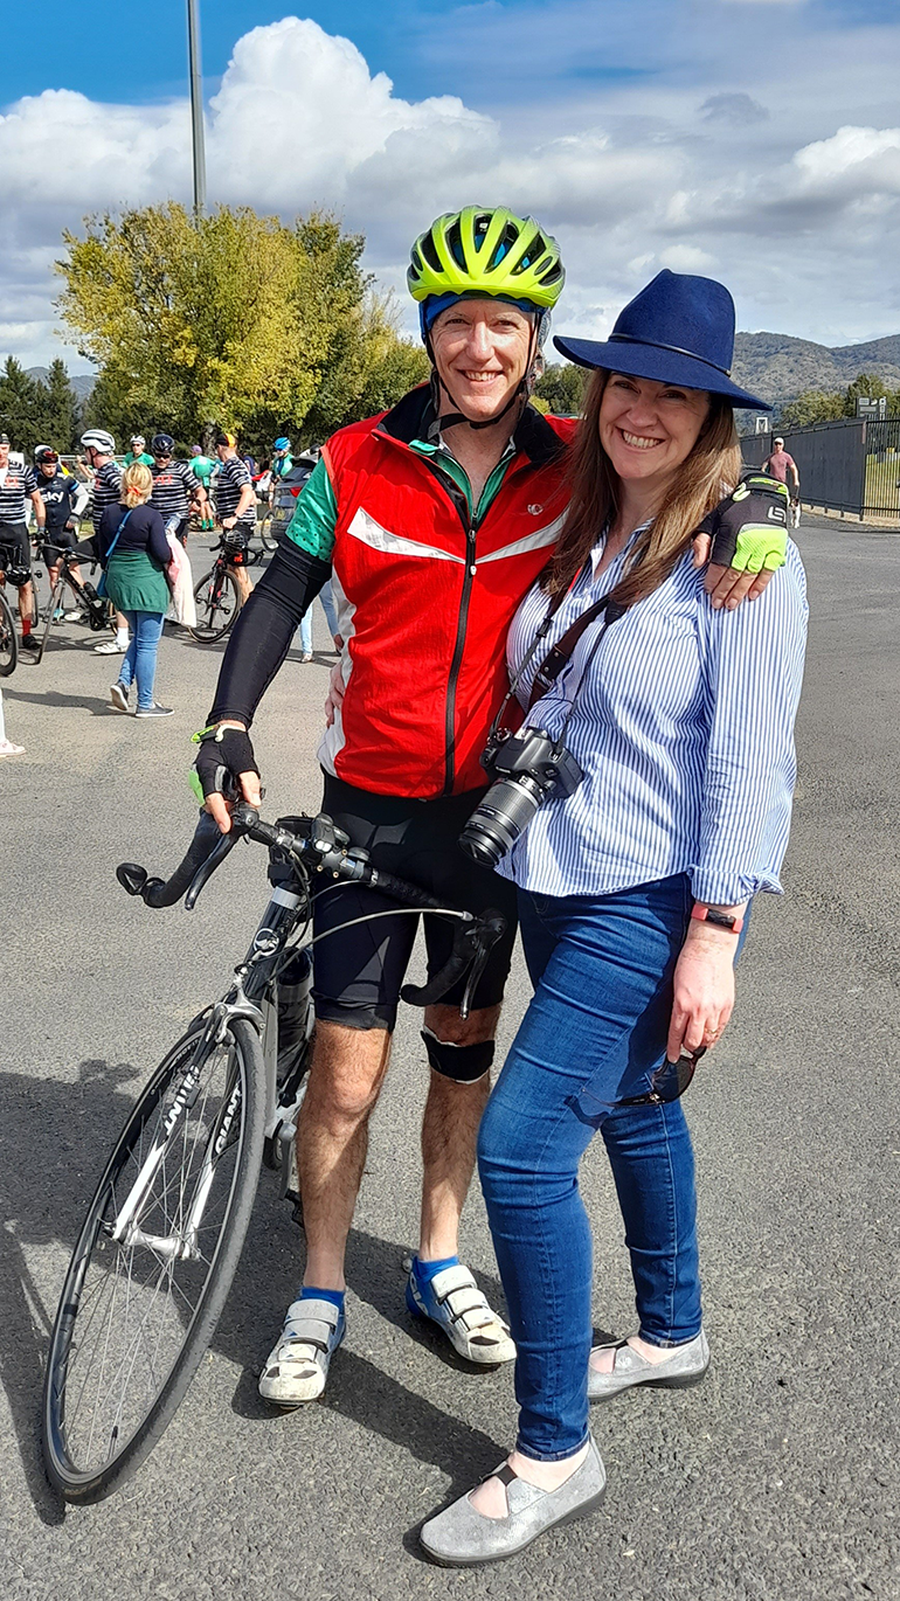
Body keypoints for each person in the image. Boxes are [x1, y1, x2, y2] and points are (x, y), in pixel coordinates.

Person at [192, 209, 788, 1411]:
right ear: (428, 334)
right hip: (366, 812)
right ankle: (318, 1286)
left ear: (534, 340)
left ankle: (437, 1256)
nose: (478, 345)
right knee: (351, 1077)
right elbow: (284, 592)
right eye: (455, 321)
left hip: (495, 836)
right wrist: (227, 720)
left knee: (461, 1068)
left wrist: (749, 513)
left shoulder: (567, 462)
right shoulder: (352, 459)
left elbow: (674, 479)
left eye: (502, 324)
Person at [419, 270, 808, 1565]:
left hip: (646, 899)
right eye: (626, 381)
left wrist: (717, 933)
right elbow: (451, 416)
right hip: (553, 876)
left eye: (674, 391)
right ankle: (673, 1328)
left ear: (713, 414)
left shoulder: (742, 560)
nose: (643, 407)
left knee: (526, 1151)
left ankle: (551, 1448)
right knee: (637, 1102)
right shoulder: (587, 526)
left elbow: (753, 761)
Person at [97, 462, 173, 718]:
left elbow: (101, 549)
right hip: (146, 582)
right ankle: (146, 703)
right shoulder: (151, 516)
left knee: (139, 636)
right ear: (148, 487)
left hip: (118, 584)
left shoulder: (108, 512)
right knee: (148, 644)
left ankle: (122, 682)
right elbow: (162, 553)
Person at [80, 428, 129, 657]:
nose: (84, 455)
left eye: (85, 450)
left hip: (111, 538)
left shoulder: (110, 471)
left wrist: (116, 517)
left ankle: (121, 638)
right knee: (65, 558)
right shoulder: (100, 473)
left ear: (93, 450)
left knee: (116, 586)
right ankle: (93, 601)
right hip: (100, 535)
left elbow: (129, 493)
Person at [0, 431, 45, 648]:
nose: (1, 452)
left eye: (4, 448)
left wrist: (41, 526)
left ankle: (26, 632)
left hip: (17, 531)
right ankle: (1, 630)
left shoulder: (22, 471)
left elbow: (37, 499)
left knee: (24, 583)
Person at [33, 447, 88, 616]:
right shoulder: (34, 482)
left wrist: (75, 514)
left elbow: (84, 495)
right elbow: (30, 505)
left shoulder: (65, 479)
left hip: (66, 531)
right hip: (49, 532)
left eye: (53, 466)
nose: (50, 469)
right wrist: (36, 527)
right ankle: (58, 606)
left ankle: (82, 604)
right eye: (47, 466)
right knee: (53, 571)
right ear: (40, 465)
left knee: (73, 568)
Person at [212, 431, 255, 605]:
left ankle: (249, 618)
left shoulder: (233, 466)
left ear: (219, 448)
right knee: (233, 568)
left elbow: (248, 493)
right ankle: (241, 614)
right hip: (234, 524)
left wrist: (234, 517)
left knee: (238, 572)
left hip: (240, 525)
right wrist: (221, 514)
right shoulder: (233, 466)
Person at [149, 433, 208, 547]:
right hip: (155, 521)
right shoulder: (147, 471)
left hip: (178, 519)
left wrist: (197, 502)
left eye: (166, 456)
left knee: (176, 555)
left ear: (171, 455)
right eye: (158, 455)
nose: (162, 459)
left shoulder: (180, 469)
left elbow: (200, 490)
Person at [190, 446, 218, 530]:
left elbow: (189, 471)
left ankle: (203, 524)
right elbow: (217, 466)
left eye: (192, 452)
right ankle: (211, 523)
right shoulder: (207, 460)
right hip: (207, 482)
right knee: (207, 503)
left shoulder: (193, 461)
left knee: (201, 504)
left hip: (198, 483)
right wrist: (212, 475)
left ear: (195, 453)